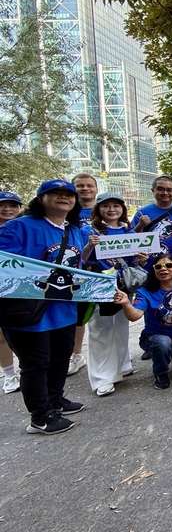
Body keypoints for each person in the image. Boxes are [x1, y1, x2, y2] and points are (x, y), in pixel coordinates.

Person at [0, 179, 87, 434]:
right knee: (36, 363)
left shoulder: (73, 230)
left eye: (68, 194)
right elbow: (5, 267)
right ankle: (40, 416)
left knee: (61, 356)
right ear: (41, 199)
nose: (63, 197)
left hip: (64, 309)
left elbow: (78, 267)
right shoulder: (18, 227)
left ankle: (55, 400)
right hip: (27, 310)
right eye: (55, 193)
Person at [81, 192, 142, 396]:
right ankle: (102, 378)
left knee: (121, 326)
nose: (111, 210)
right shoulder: (88, 231)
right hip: (99, 285)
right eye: (106, 206)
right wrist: (90, 245)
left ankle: (122, 364)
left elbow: (133, 262)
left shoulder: (128, 231)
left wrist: (141, 259)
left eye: (116, 206)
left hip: (123, 285)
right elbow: (80, 259)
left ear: (122, 209)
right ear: (98, 209)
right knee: (101, 330)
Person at [116, 253, 172, 390]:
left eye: (168, 265)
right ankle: (160, 373)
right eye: (158, 267)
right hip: (153, 336)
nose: (163, 269)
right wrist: (126, 303)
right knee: (163, 343)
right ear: (154, 270)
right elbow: (135, 316)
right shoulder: (145, 291)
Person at [67, 172, 98, 376]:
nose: (85, 189)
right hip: (74, 270)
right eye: (80, 186)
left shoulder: (106, 208)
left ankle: (118, 357)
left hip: (104, 270)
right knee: (76, 316)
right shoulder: (68, 213)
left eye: (89, 185)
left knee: (106, 319)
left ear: (96, 189)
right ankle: (75, 355)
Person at [130, 175, 172, 272]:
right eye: (160, 189)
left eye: (169, 190)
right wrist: (140, 225)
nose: (165, 193)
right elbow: (130, 240)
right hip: (148, 268)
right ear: (153, 190)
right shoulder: (142, 213)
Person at [0, 190, 22, 394]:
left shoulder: (26, 229)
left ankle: (27, 368)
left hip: (23, 290)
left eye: (13, 205)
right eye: (2, 205)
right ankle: (9, 374)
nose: (7, 209)